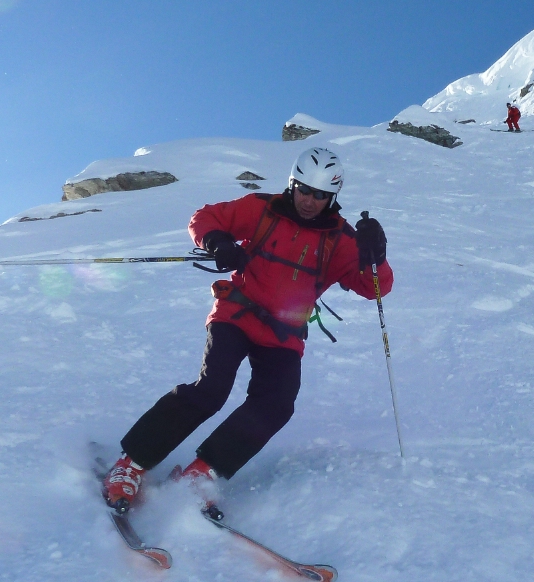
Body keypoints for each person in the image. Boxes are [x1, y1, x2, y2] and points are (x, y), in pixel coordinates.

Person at [102, 146, 392, 508]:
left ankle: (202, 472)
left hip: (284, 334)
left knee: (275, 404)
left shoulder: (342, 239)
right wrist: (218, 242)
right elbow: (205, 218)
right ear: (292, 184)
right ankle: (131, 463)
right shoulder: (262, 208)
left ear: (333, 196)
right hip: (236, 314)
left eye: (320, 195)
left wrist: (375, 255)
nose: (309, 201)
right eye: (304, 189)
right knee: (212, 389)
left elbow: (375, 287)